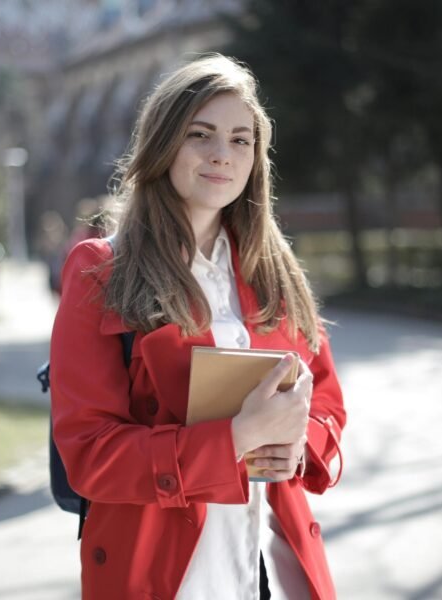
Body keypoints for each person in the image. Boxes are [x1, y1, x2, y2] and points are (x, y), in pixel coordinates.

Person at [50, 54, 346, 600]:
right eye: (200, 134)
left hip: (274, 572)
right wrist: (235, 439)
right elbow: (89, 453)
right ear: (163, 144)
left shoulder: (273, 268)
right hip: (164, 578)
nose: (221, 155)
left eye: (240, 140)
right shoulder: (99, 268)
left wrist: (300, 445)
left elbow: (325, 400)